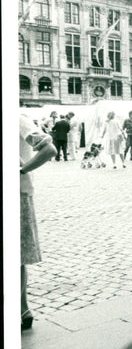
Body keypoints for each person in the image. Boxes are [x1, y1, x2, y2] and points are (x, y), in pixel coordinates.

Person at [20, 114, 57, 330]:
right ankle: (23, 310)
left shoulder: (18, 118)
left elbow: (49, 149)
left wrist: (21, 170)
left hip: (17, 194)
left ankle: (23, 309)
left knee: (17, 258)